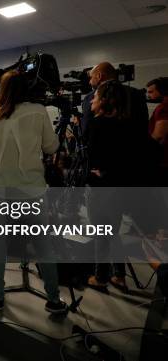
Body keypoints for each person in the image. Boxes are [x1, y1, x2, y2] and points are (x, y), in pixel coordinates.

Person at [0, 70, 67, 314]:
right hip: (31, 190)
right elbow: (51, 146)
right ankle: (54, 300)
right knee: (43, 245)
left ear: (0, 91)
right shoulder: (38, 111)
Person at [85, 81, 142, 290]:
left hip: (101, 188)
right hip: (120, 187)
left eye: (96, 97)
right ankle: (119, 275)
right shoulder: (129, 123)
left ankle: (100, 278)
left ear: (105, 101)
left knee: (101, 232)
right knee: (113, 231)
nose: (92, 100)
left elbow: (92, 159)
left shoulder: (95, 123)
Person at [147, 77, 168, 184]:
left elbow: (159, 135)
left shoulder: (163, 107)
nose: (148, 95)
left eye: (151, 92)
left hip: (163, 161)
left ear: (163, 91)